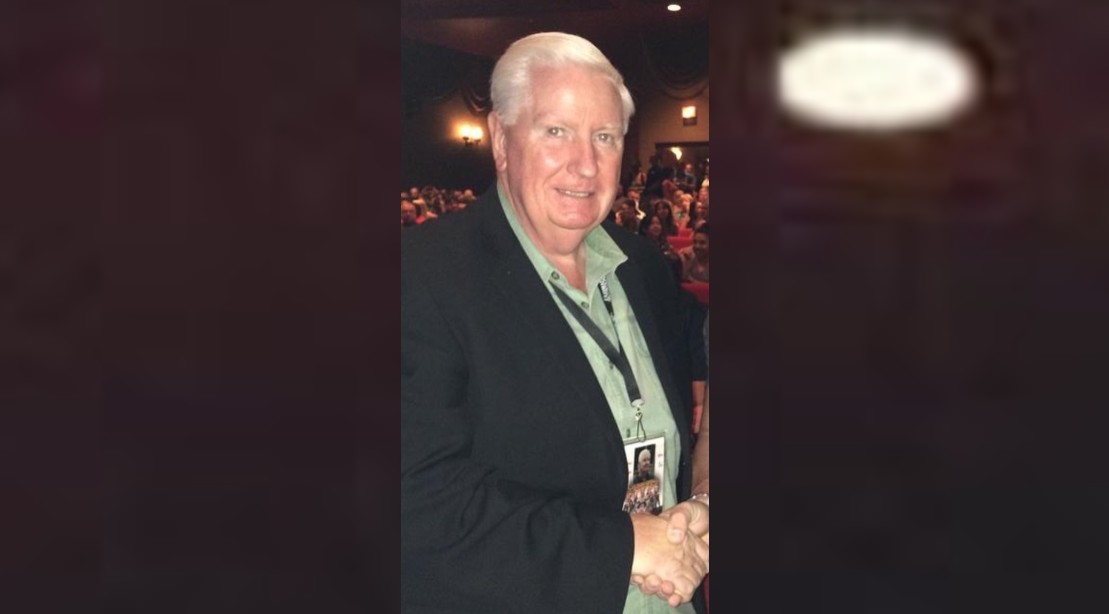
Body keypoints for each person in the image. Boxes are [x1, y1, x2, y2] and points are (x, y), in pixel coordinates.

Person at [401, 32, 709, 613]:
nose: (585, 164)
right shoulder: (421, 277)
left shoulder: (642, 266)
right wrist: (624, 548)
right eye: (556, 131)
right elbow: (418, 500)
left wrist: (700, 504)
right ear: (500, 140)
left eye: (604, 136)